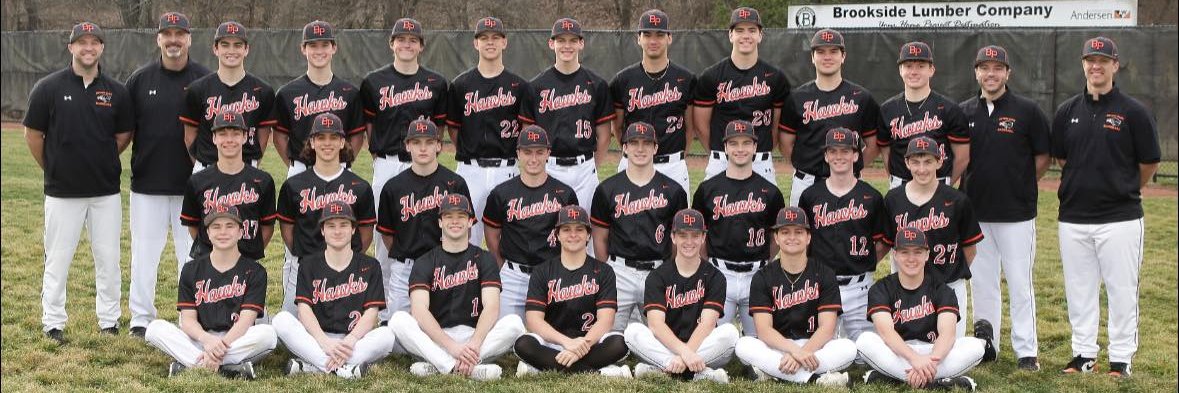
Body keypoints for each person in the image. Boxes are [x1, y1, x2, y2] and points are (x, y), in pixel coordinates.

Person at [1052, 36, 1160, 378]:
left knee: (1122, 290)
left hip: (1120, 218)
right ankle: (1083, 354)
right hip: (1073, 218)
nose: (1095, 65)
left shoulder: (1134, 111)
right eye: (1090, 59)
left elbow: (1148, 163)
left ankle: (1121, 359)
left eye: (1103, 60)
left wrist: (1123, 189)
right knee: (1079, 290)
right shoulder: (1067, 111)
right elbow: (1062, 158)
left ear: (1115, 65)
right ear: (1083, 64)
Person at [24, 21, 134, 343]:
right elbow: (33, 135)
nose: (88, 48)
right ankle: (53, 322)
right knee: (57, 259)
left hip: (104, 193)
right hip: (62, 193)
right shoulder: (48, 88)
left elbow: (124, 135)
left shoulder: (116, 91)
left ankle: (109, 320)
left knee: (109, 259)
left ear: (101, 47)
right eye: (81, 42)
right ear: (70, 47)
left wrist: (99, 159)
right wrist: (54, 165)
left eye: (94, 42)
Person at [959, 45, 1050, 371]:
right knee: (982, 284)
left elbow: (1042, 157)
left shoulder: (1027, 111)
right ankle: (987, 344)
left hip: (1016, 214)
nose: (991, 74)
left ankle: (1027, 351)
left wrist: (1020, 183)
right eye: (985, 68)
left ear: (1007, 73)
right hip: (975, 214)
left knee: (1019, 283)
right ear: (977, 73)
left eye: (997, 68)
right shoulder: (964, 111)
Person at [125, 12, 212, 338]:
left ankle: (188, 319)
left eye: (180, 34)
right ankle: (141, 318)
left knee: (189, 258)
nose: (173, 40)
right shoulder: (140, 80)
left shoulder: (205, 79)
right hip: (147, 185)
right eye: (167, 34)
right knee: (144, 255)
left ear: (189, 38)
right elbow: (125, 129)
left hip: (192, 186)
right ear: (158, 39)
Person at [390, 194, 526, 381]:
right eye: (448, 216)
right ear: (440, 222)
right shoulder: (425, 261)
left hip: (475, 337)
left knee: (515, 323)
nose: (455, 221)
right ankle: (459, 367)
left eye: (461, 216)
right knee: (398, 320)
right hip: (437, 338)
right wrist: (452, 347)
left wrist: (474, 344)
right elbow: (419, 311)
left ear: (470, 222)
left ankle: (440, 366)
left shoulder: (484, 258)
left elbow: (492, 307)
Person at [360, 17, 449, 276]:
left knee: (427, 224)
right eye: (401, 39)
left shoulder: (436, 83)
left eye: (413, 40)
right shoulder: (373, 82)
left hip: (422, 163)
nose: (407, 44)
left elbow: (439, 127)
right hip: (387, 162)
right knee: (384, 230)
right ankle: (387, 306)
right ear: (392, 44)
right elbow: (369, 124)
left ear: (421, 46)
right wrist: (378, 154)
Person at [144, 206, 276, 379]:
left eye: (230, 226)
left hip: (236, 339)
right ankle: (230, 369)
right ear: (207, 233)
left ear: (240, 232)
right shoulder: (191, 269)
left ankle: (192, 364)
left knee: (268, 335)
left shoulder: (255, 271)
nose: (223, 232)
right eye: (216, 226)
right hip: (200, 339)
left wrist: (220, 346)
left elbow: (246, 321)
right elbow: (188, 321)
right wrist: (207, 341)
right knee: (154, 328)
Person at [735, 206, 856, 386]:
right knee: (743, 345)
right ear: (776, 237)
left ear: (808, 237)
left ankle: (775, 373)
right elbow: (764, 331)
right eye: (785, 232)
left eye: (798, 232)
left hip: (814, 347)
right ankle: (815, 379)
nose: (792, 237)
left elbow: (827, 328)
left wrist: (803, 352)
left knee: (848, 348)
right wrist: (794, 351)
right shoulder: (762, 276)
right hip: (778, 347)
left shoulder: (824, 274)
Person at [273, 201, 394, 379]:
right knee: (281, 320)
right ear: (322, 230)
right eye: (331, 226)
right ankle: (343, 369)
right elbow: (304, 310)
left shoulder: (370, 265)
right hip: (316, 338)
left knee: (387, 335)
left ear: (353, 229)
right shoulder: (308, 264)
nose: (337, 231)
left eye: (344, 225)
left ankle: (313, 366)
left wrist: (351, 340)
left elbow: (371, 313)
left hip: (354, 340)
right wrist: (324, 342)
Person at [857, 226, 984, 391]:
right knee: (864, 341)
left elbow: (947, 334)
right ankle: (939, 382)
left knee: (975, 346)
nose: (911, 258)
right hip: (898, 352)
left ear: (926, 255)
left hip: (933, 352)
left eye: (917, 252)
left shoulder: (942, 289)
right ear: (894, 255)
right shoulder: (881, 288)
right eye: (904, 252)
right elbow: (886, 333)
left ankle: (896, 377)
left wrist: (930, 360)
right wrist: (914, 359)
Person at [882, 136, 984, 337]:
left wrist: (949, 276)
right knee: (908, 350)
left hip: (949, 286)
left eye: (928, 161)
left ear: (940, 161)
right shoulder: (893, 200)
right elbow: (889, 246)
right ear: (907, 163)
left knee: (951, 353)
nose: (922, 169)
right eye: (916, 162)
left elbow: (970, 250)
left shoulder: (957, 201)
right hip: (907, 290)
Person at [591, 121, 688, 331]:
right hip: (619, 271)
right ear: (624, 147)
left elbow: (677, 239)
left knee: (665, 338)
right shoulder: (607, 189)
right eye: (633, 143)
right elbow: (599, 237)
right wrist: (608, 270)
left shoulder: (674, 191)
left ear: (656, 147)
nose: (640, 148)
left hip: (658, 270)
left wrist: (670, 271)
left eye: (646, 143)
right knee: (608, 336)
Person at [513, 206, 631, 378]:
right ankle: (600, 372)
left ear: (589, 235)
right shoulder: (542, 271)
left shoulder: (604, 271)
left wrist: (580, 348)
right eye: (566, 229)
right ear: (557, 235)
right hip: (552, 343)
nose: (573, 235)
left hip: (590, 342)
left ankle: (541, 368)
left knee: (619, 343)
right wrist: (567, 343)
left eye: (579, 229)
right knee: (523, 344)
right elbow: (533, 321)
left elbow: (606, 319)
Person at [691, 119, 784, 336]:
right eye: (733, 143)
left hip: (757, 274)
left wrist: (762, 262)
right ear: (725, 147)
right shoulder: (707, 190)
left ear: (754, 147)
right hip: (719, 272)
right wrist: (710, 267)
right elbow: (699, 236)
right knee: (715, 345)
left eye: (745, 143)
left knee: (760, 347)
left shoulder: (770, 192)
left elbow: (776, 237)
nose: (740, 149)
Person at [277, 113, 376, 315]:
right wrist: (302, 253)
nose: (327, 143)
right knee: (286, 325)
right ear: (312, 142)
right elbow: (287, 228)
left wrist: (347, 258)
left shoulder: (359, 187)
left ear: (342, 142)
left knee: (342, 323)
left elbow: (366, 232)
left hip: (345, 268)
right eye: (321, 137)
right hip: (304, 266)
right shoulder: (293, 185)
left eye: (333, 137)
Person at [624, 208, 736, 383]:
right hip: (666, 344)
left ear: (703, 237)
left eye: (695, 235)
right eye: (683, 235)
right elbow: (655, 325)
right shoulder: (657, 276)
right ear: (673, 237)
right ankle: (700, 374)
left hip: (702, 346)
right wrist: (685, 354)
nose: (689, 241)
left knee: (730, 333)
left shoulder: (715, 277)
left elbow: (707, 324)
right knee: (633, 332)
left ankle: (663, 368)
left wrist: (686, 354)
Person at [797, 128, 887, 343]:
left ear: (856, 155)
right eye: (833, 151)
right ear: (826, 155)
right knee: (815, 347)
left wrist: (862, 263)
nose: (839, 156)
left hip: (860, 288)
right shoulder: (810, 196)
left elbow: (883, 242)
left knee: (869, 350)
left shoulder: (871, 197)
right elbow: (803, 243)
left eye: (846, 151)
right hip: (822, 287)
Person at [446, 16, 529, 246]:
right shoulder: (460, 85)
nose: (490, 42)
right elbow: (453, 129)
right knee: (464, 236)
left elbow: (526, 129)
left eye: (495, 37)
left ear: (504, 42)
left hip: (507, 169)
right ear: (476, 43)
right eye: (484, 38)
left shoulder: (519, 86)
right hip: (470, 170)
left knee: (508, 238)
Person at [518, 17, 615, 214]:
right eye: (561, 40)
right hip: (549, 167)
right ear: (551, 43)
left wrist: (592, 166)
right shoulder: (536, 86)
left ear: (581, 43)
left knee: (586, 231)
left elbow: (604, 135)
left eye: (572, 40)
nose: (567, 46)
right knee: (549, 231)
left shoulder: (597, 85)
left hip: (585, 168)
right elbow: (527, 134)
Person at [376, 119, 471, 321]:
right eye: (416, 142)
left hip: (444, 266)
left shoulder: (455, 183)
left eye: (429, 142)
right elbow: (387, 233)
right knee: (399, 335)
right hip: (405, 268)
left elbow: (465, 230)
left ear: (439, 145)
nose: (423, 148)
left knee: (446, 326)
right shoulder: (392, 187)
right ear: (407, 145)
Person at [779, 28, 883, 206]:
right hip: (807, 181)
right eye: (820, 52)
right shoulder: (797, 98)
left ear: (843, 56)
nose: (827, 57)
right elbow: (785, 144)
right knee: (801, 233)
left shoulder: (861, 97)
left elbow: (873, 145)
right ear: (812, 57)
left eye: (834, 51)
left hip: (849, 181)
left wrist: (850, 166)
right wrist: (806, 165)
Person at [483, 126, 579, 318]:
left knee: (558, 332)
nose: (533, 159)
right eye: (527, 152)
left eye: (539, 152)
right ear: (518, 153)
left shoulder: (565, 194)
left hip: (551, 274)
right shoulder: (501, 193)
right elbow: (492, 234)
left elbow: (572, 237)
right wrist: (503, 266)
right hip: (513, 275)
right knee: (504, 330)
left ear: (548, 154)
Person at [693, 6, 790, 184]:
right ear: (731, 35)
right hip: (722, 159)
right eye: (739, 30)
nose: (746, 35)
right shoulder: (711, 76)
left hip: (760, 160)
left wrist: (762, 149)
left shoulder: (775, 78)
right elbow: (700, 125)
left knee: (765, 212)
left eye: (752, 30)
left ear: (760, 35)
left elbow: (776, 126)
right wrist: (721, 152)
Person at [609, 9, 696, 194]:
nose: (653, 40)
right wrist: (632, 153)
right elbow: (617, 128)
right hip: (633, 164)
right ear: (638, 39)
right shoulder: (622, 80)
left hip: (672, 165)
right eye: (647, 34)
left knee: (677, 223)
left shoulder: (686, 79)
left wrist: (678, 158)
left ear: (669, 38)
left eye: (659, 34)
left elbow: (690, 128)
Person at [180, 110, 276, 268]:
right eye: (223, 133)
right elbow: (194, 226)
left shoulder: (263, 181)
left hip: (246, 262)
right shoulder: (197, 181)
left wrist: (247, 257)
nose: (229, 140)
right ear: (214, 138)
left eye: (236, 133)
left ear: (245, 137)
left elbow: (267, 227)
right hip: (208, 262)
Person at [273, 20, 366, 179]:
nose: (319, 51)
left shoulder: (350, 92)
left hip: (339, 167)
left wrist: (344, 162)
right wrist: (294, 166)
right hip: (301, 168)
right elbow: (279, 137)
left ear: (334, 48)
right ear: (303, 49)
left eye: (325, 45)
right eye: (313, 45)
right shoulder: (287, 93)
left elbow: (357, 136)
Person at [180, 21, 276, 172]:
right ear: (215, 49)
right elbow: (189, 137)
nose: (231, 50)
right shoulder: (197, 89)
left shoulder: (263, 91)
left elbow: (263, 138)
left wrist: (252, 165)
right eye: (225, 44)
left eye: (237, 45)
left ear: (246, 49)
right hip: (207, 166)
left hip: (247, 167)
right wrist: (202, 167)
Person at [876, 41, 969, 189]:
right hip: (901, 184)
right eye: (908, 66)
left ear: (931, 70)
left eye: (921, 66)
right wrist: (895, 181)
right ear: (900, 70)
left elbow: (963, 157)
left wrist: (946, 186)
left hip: (939, 183)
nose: (914, 71)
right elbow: (886, 153)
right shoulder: (888, 109)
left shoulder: (949, 108)